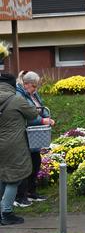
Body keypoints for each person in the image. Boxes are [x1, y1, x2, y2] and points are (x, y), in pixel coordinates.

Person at [0, 73, 38, 225]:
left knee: (2, 177)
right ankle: (7, 212)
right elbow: (33, 113)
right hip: (13, 144)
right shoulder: (16, 99)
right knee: (14, 179)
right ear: (11, 85)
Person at [14, 71, 55, 207]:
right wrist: (42, 120)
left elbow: (41, 108)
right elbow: (27, 115)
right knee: (25, 165)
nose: (35, 89)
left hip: (34, 133)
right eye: (33, 86)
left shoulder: (33, 94)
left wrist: (45, 117)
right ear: (25, 84)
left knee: (36, 161)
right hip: (24, 133)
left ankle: (31, 192)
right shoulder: (19, 95)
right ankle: (21, 196)